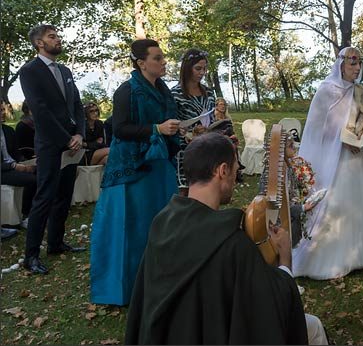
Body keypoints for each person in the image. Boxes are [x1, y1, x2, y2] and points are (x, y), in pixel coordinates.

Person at [125, 133, 310, 345]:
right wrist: (285, 261)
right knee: (313, 328)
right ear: (222, 171)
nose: (236, 177)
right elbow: (270, 308)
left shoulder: (162, 223)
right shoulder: (232, 242)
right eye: (235, 168)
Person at [90, 39, 181, 306]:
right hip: (131, 169)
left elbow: (166, 124)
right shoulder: (127, 91)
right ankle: (124, 289)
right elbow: (119, 129)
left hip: (159, 165)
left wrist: (176, 130)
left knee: (161, 224)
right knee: (131, 227)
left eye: (163, 57)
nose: (163, 62)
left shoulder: (164, 90)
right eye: (157, 58)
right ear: (142, 63)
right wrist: (157, 129)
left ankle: (160, 283)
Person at [292, 47, 363, 280]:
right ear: (341, 65)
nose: (357, 68)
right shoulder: (326, 90)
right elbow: (316, 128)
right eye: (352, 63)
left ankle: (361, 253)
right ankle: (330, 256)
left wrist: (360, 137)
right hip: (334, 160)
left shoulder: (360, 91)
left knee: (361, 202)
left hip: (358, 156)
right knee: (335, 202)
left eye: (359, 64)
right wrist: (340, 139)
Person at [19, 24, 86, 275]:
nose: (58, 39)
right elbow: (40, 110)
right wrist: (65, 138)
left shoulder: (65, 70)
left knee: (64, 196)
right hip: (50, 144)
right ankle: (31, 256)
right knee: (44, 197)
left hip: (73, 143)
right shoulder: (29, 71)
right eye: (52, 36)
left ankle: (56, 243)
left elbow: (77, 105)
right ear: (39, 43)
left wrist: (79, 133)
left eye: (58, 35)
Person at [171, 49, 215, 191]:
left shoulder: (208, 92)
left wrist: (210, 129)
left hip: (207, 147)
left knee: (206, 189)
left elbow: (212, 118)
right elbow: (172, 124)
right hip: (184, 151)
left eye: (204, 68)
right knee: (185, 191)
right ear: (187, 68)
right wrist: (189, 133)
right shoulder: (175, 94)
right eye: (198, 68)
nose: (202, 72)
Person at [1, 102, 36, 228]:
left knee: (40, 170)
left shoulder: (8, 130)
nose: (3, 113)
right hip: (4, 170)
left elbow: (16, 153)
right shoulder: (20, 127)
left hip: (13, 165)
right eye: (0, 110)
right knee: (31, 180)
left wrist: (25, 162)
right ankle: (25, 215)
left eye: (3, 110)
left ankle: (40, 209)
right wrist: (13, 166)